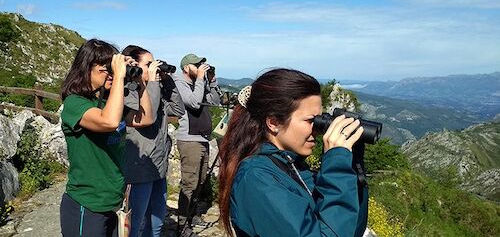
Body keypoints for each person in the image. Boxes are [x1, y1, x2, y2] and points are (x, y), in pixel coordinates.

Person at [218, 68, 368, 237]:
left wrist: (352, 168)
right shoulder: (257, 178)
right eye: (311, 120)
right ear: (273, 122)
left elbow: (350, 229)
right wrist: (337, 165)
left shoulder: (291, 166)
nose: (318, 130)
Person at [60, 39, 154, 236]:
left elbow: (146, 119)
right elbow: (109, 122)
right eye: (106, 69)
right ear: (87, 69)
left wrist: (141, 84)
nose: (111, 74)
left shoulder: (107, 103)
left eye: (113, 69)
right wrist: (119, 76)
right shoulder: (75, 104)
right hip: (87, 204)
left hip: (113, 202)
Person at [121, 45, 185, 237]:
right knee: (134, 223)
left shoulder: (156, 91)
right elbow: (147, 117)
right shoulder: (128, 93)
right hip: (140, 169)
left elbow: (179, 110)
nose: (154, 68)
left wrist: (169, 82)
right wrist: (152, 84)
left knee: (156, 223)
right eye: (148, 64)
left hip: (158, 167)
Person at [173, 53, 222, 234]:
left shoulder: (198, 83)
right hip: (189, 138)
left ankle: (192, 214)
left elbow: (214, 102)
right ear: (187, 68)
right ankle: (182, 224)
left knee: (200, 181)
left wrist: (212, 81)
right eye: (197, 65)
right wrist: (201, 79)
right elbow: (193, 103)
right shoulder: (179, 83)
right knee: (189, 183)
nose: (201, 67)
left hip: (202, 138)